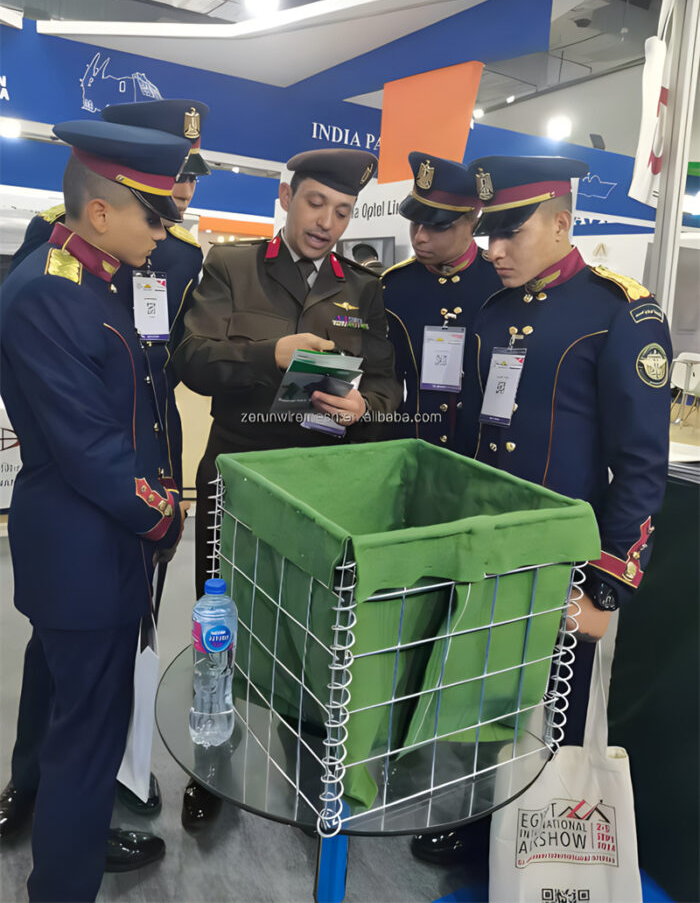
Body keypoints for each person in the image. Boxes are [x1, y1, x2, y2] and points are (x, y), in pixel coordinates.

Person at [414, 154, 672, 866]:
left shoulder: (619, 315)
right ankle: (481, 827)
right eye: (487, 233)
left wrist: (606, 588)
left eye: (510, 232)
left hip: (568, 571)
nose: (492, 250)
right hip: (499, 556)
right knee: (489, 703)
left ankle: (549, 854)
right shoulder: (494, 312)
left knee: (558, 721)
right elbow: (476, 441)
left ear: (561, 223)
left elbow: (643, 468)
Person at [172, 147, 402, 829]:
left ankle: (309, 768)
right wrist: (264, 355)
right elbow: (192, 360)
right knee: (223, 631)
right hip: (238, 478)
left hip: (322, 490)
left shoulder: (363, 287)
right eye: (314, 204)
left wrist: (370, 409)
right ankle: (212, 766)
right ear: (285, 195)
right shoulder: (231, 267)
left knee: (313, 633)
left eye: (342, 210)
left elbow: (386, 382)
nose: (326, 222)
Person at [1, 100, 210, 837]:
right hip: (83, 542)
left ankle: (69, 841)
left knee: (78, 717)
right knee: (88, 739)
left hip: (102, 540)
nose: (166, 230)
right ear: (97, 212)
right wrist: (163, 512)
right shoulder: (50, 294)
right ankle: (64, 876)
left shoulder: (97, 280)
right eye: (153, 217)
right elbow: (89, 447)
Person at [381, 152, 501, 448]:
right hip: (413, 442)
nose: (419, 237)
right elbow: (386, 376)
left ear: (473, 219)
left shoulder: (501, 284)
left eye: (438, 225)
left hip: (482, 451)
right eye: (414, 223)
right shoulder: (394, 287)